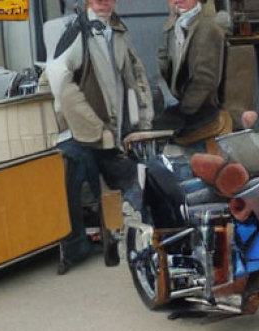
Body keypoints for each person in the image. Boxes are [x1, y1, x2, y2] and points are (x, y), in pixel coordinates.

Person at [46, 0, 154, 267]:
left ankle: (126, 241)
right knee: (77, 187)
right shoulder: (75, 32)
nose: (104, 2)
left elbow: (136, 74)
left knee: (127, 184)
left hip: (115, 131)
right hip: (84, 133)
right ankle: (76, 248)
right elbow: (59, 80)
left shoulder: (117, 30)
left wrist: (143, 119)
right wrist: (92, 126)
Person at [156, 0, 231, 150]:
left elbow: (204, 80)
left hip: (204, 114)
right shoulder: (176, 27)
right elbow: (165, 69)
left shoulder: (207, 27)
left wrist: (183, 113)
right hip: (187, 108)